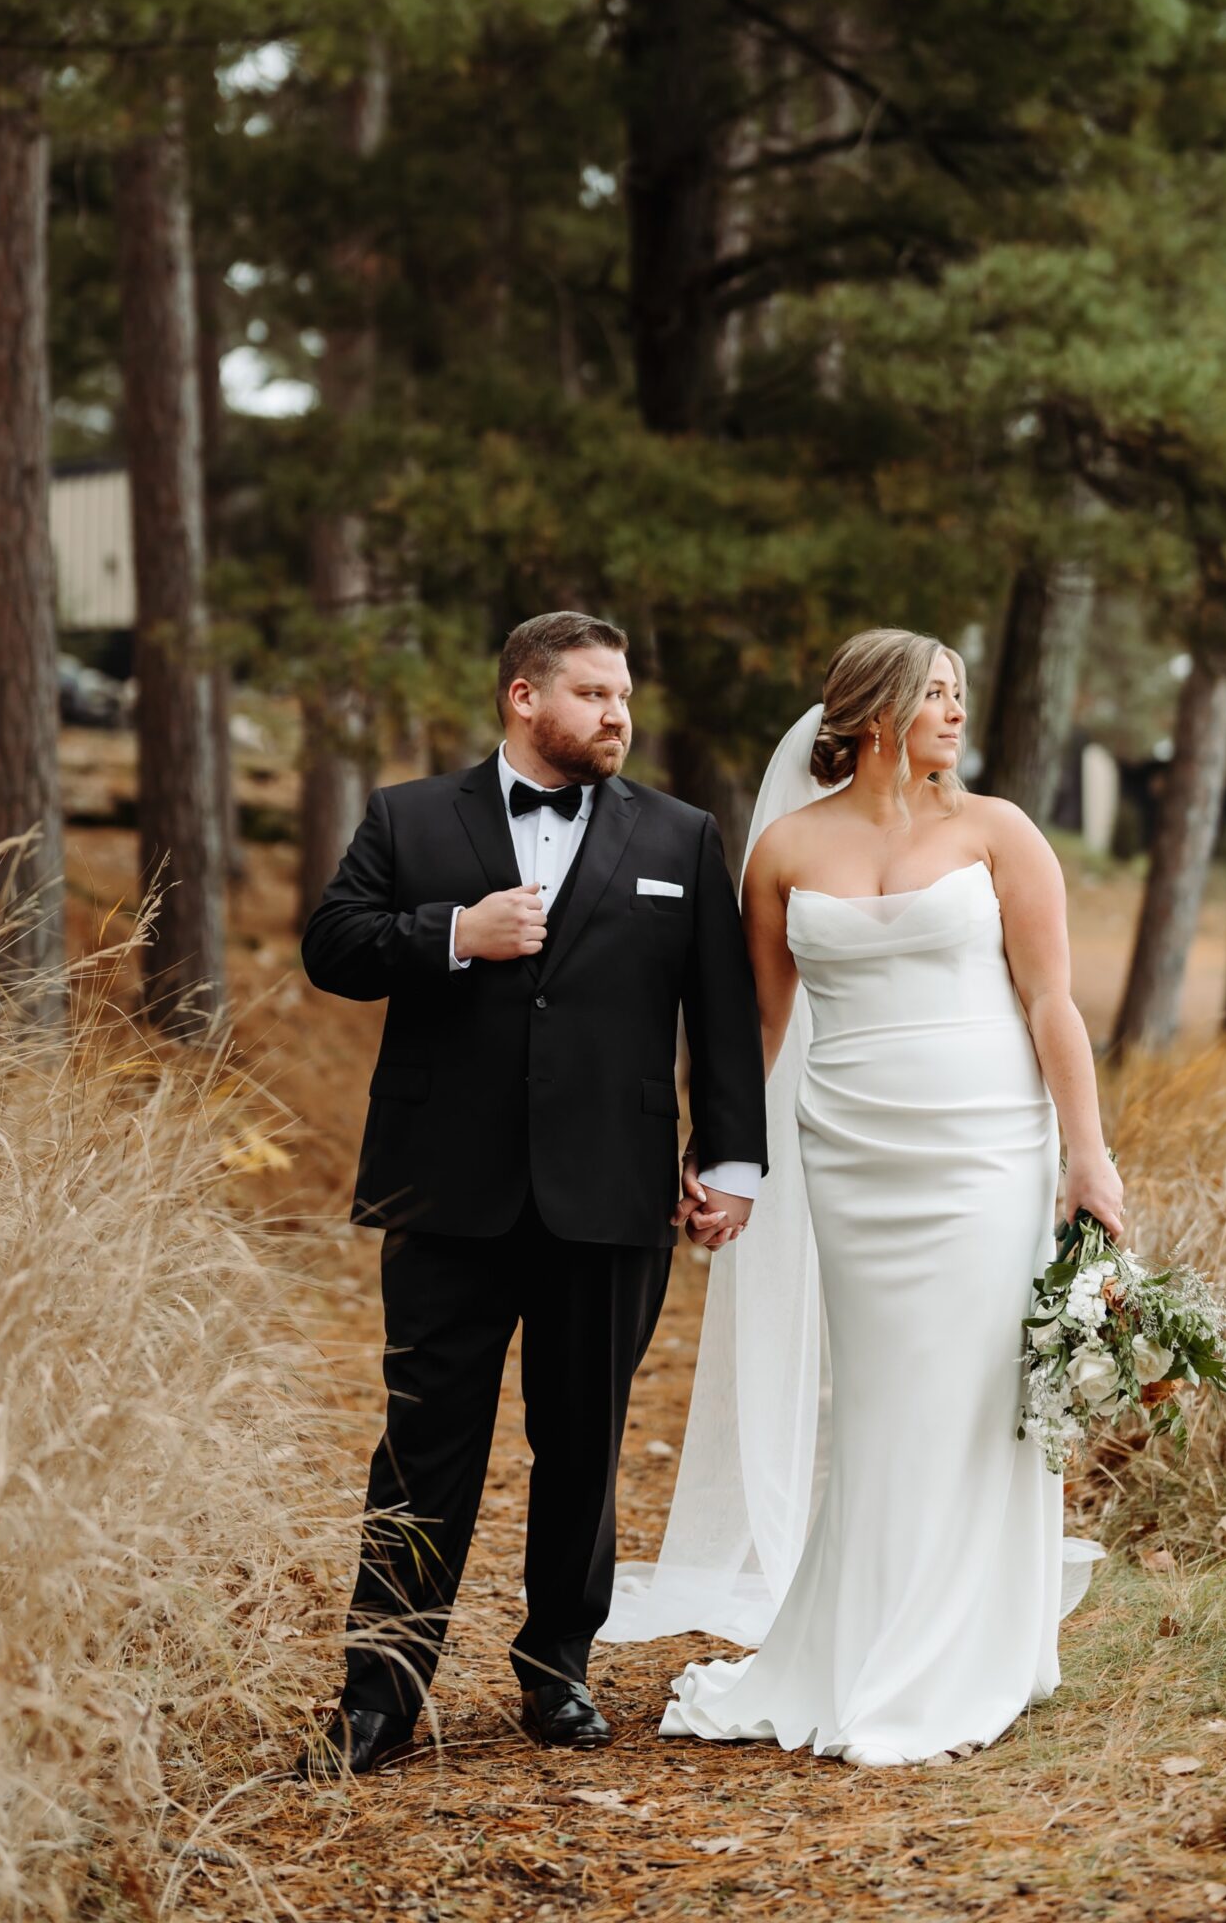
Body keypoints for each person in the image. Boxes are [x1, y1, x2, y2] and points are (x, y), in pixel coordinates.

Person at [609, 626, 1121, 1767]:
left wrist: (1087, 1156)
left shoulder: (999, 833)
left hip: (988, 1146)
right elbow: (759, 1025)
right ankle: (864, 1630)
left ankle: (970, 1642)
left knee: (977, 1387)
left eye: (959, 691)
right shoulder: (786, 848)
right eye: (934, 692)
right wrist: (725, 1156)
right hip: (851, 1150)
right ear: (874, 709)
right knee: (888, 1396)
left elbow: (1052, 1004)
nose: (953, 710)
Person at [294, 611, 767, 1777]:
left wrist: (733, 1157)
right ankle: (380, 1695)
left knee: (582, 1443)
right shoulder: (410, 816)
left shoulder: (682, 832)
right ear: (523, 697)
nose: (619, 715)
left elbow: (721, 1010)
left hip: (612, 1193)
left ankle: (557, 1671)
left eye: (624, 697)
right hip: (446, 1187)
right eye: (596, 694)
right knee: (424, 1448)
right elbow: (333, 945)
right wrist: (454, 931)